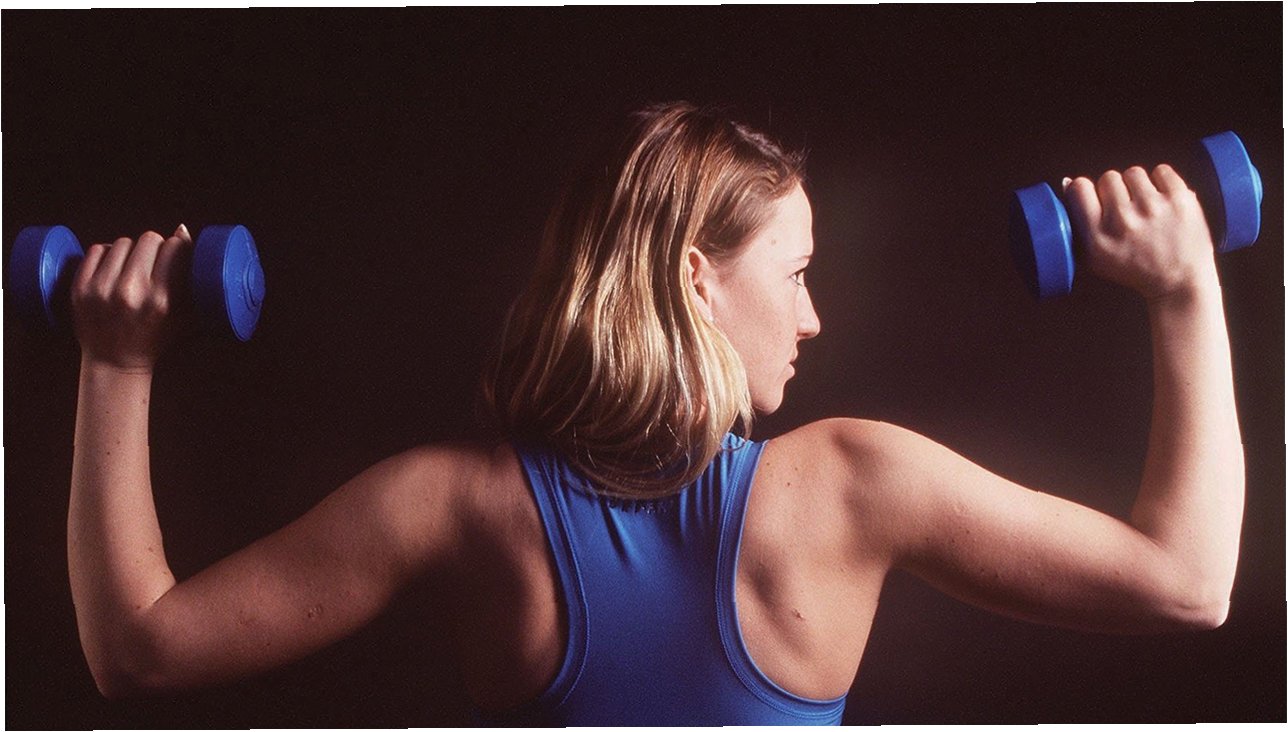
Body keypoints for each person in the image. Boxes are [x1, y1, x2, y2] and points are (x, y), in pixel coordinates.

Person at [66, 102, 1244, 725]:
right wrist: (1186, 290)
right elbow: (1186, 582)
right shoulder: (848, 483)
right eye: (794, 273)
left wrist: (115, 360)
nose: (813, 319)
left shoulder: (452, 506)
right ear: (695, 279)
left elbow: (137, 650)